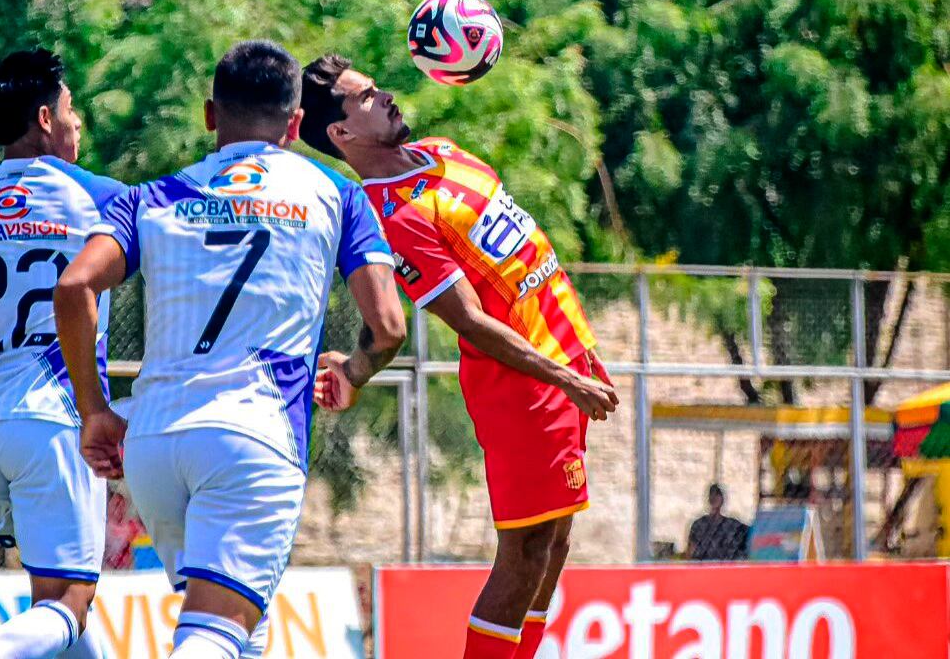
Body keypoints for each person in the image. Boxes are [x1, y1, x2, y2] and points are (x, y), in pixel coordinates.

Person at [54, 40, 405, 659]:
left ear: (211, 116)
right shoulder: (338, 195)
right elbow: (388, 326)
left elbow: (76, 285)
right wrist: (354, 369)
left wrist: (94, 411)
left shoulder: (154, 196)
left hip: (156, 447)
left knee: (245, 629)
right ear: (296, 125)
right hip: (252, 437)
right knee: (212, 637)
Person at [300, 54, 619, 659]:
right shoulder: (394, 216)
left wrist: (578, 351)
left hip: (563, 357)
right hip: (522, 388)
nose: (386, 95)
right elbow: (469, 318)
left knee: (554, 543)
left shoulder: (444, 150)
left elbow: (526, 256)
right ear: (341, 134)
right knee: (523, 552)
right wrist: (562, 376)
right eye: (366, 97)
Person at [0, 48, 125, 658]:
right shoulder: (102, 197)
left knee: (57, 605)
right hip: (50, 422)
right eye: (72, 110)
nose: (78, 124)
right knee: (69, 600)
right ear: (45, 118)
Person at [686, 483, 750, 561]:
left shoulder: (733, 526)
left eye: (717, 495)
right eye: (712, 495)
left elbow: (751, 536)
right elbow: (691, 551)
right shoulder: (698, 525)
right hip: (703, 569)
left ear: (722, 499)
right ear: (708, 499)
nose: (714, 498)